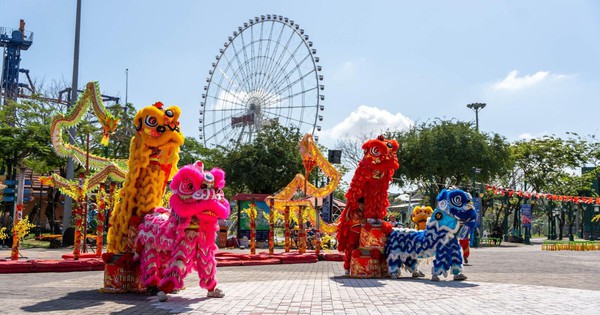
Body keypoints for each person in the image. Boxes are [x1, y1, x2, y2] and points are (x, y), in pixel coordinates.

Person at [343, 197, 365, 275]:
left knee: (361, 250)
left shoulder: (366, 213)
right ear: (358, 204)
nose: (362, 206)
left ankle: (360, 268)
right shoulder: (354, 212)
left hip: (363, 235)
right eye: (360, 204)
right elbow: (347, 218)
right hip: (353, 233)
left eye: (363, 204)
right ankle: (347, 268)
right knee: (350, 250)